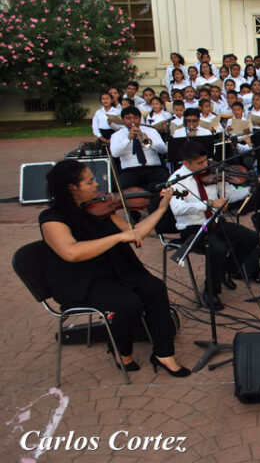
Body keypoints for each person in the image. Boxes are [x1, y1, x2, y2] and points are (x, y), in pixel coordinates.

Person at [40, 159, 190, 377]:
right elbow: (71, 252)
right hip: (80, 280)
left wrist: (161, 208)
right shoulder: (51, 218)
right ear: (73, 188)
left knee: (155, 288)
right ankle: (122, 351)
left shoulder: (99, 208)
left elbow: (136, 233)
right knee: (130, 303)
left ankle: (164, 353)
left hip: (114, 269)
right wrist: (118, 237)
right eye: (90, 181)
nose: (96, 184)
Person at [169, 141, 260, 310]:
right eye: (199, 163)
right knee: (217, 248)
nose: (205, 166)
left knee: (251, 238)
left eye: (206, 161)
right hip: (193, 228)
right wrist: (209, 204)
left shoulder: (214, 173)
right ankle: (210, 292)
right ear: (185, 163)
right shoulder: (177, 180)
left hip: (215, 223)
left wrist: (249, 190)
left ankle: (227, 270)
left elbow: (230, 195)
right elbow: (178, 209)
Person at [109, 107, 170, 223]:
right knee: (124, 183)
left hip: (153, 168)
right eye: (128, 118)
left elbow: (163, 150)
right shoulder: (117, 135)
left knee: (165, 180)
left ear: (140, 119)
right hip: (131, 170)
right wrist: (128, 139)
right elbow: (115, 153)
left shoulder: (151, 131)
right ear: (123, 120)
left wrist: (148, 140)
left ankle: (162, 211)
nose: (132, 121)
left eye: (135, 118)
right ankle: (133, 213)